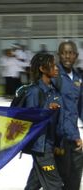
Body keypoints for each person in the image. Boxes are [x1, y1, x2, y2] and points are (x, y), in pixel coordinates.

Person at [23, 53, 63, 190]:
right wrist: (47, 109)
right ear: (42, 68)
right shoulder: (34, 91)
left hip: (50, 144)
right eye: (53, 65)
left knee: (34, 184)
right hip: (41, 146)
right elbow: (29, 118)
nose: (56, 68)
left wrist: (58, 143)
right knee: (55, 185)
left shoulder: (53, 90)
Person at [54, 40, 83, 190]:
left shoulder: (78, 78)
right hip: (58, 138)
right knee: (60, 180)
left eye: (70, 53)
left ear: (76, 56)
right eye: (64, 53)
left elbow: (81, 107)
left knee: (75, 179)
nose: (67, 56)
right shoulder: (54, 77)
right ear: (58, 55)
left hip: (73, 137)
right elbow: (61, 111)